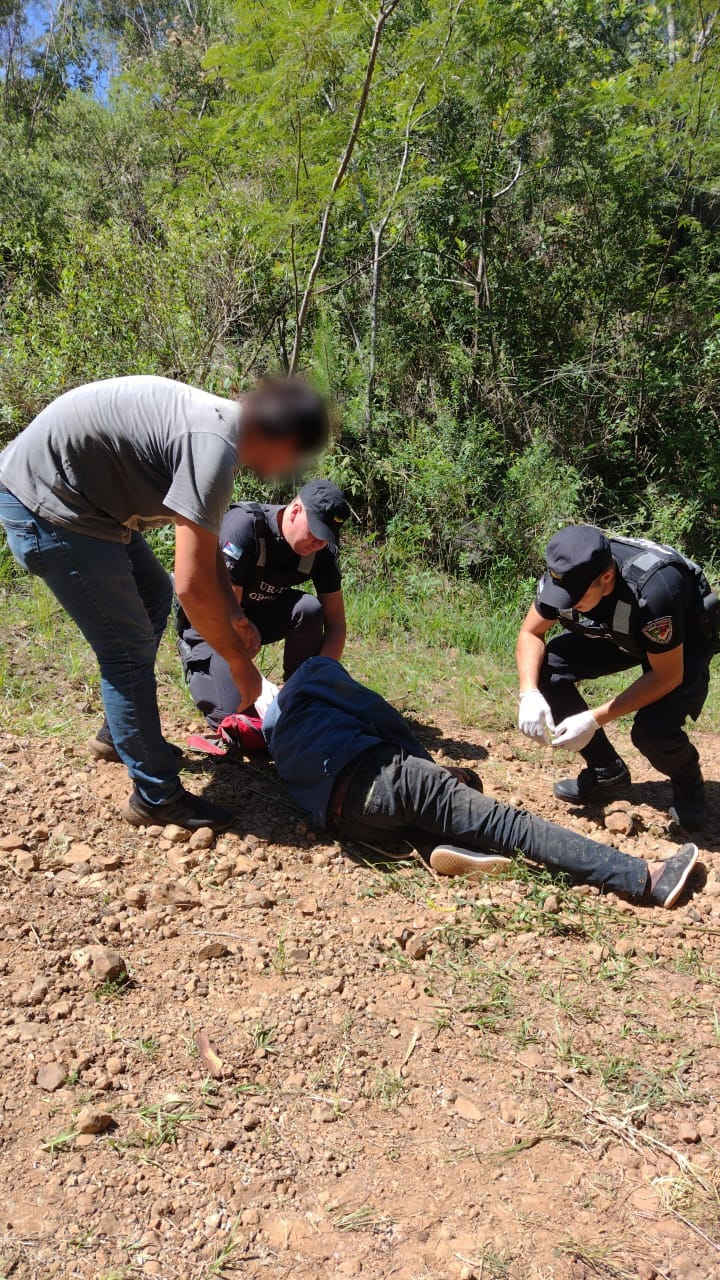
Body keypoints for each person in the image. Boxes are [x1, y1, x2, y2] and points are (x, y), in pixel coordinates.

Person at [0, 374, 329, 832]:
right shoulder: (214, 448)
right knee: (126, 648)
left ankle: (121, 736)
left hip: (87, 503)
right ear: (283, 438)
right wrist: (239, 663)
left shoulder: (223, 433)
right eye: (293, 458)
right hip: (49, 501)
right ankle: (156, 795)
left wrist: (233, 614)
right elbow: (192, 587)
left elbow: (204, 542)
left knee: (151, 595)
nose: (282, 472)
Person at [259, 656, 699, 908]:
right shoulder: (310, 673)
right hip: (382, 776)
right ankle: (645, 876)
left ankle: (436, 847)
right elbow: (378, 712)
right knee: (509, 824)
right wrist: (432, 768)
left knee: (412, 815)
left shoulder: (273, 735)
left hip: (347, 820)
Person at [516, 525, 718, 831]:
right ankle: (606, 771)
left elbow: (666, 676)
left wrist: (593, 719)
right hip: (623, 632)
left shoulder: (653, 591)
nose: (566, 604)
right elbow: (531, 632)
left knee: (653, 731)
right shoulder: (567, 572)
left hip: (682, 640)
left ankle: (688, 784)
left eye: (574, 598)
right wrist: (528, 692)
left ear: (606, 577)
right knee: (547, 669)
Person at [177, 479, 350, 728]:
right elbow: (226, 613)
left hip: (255, 619)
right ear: (295, 510)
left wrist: (317, 678)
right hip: (213, 623)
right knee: (233, 716)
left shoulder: (321, 551)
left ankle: (296, 690)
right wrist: (247, 672)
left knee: (309, 609)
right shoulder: (245, 527)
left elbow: (336, 622)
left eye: (325, 537)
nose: (318, 542)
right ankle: (197, 658)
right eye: (314, 531)